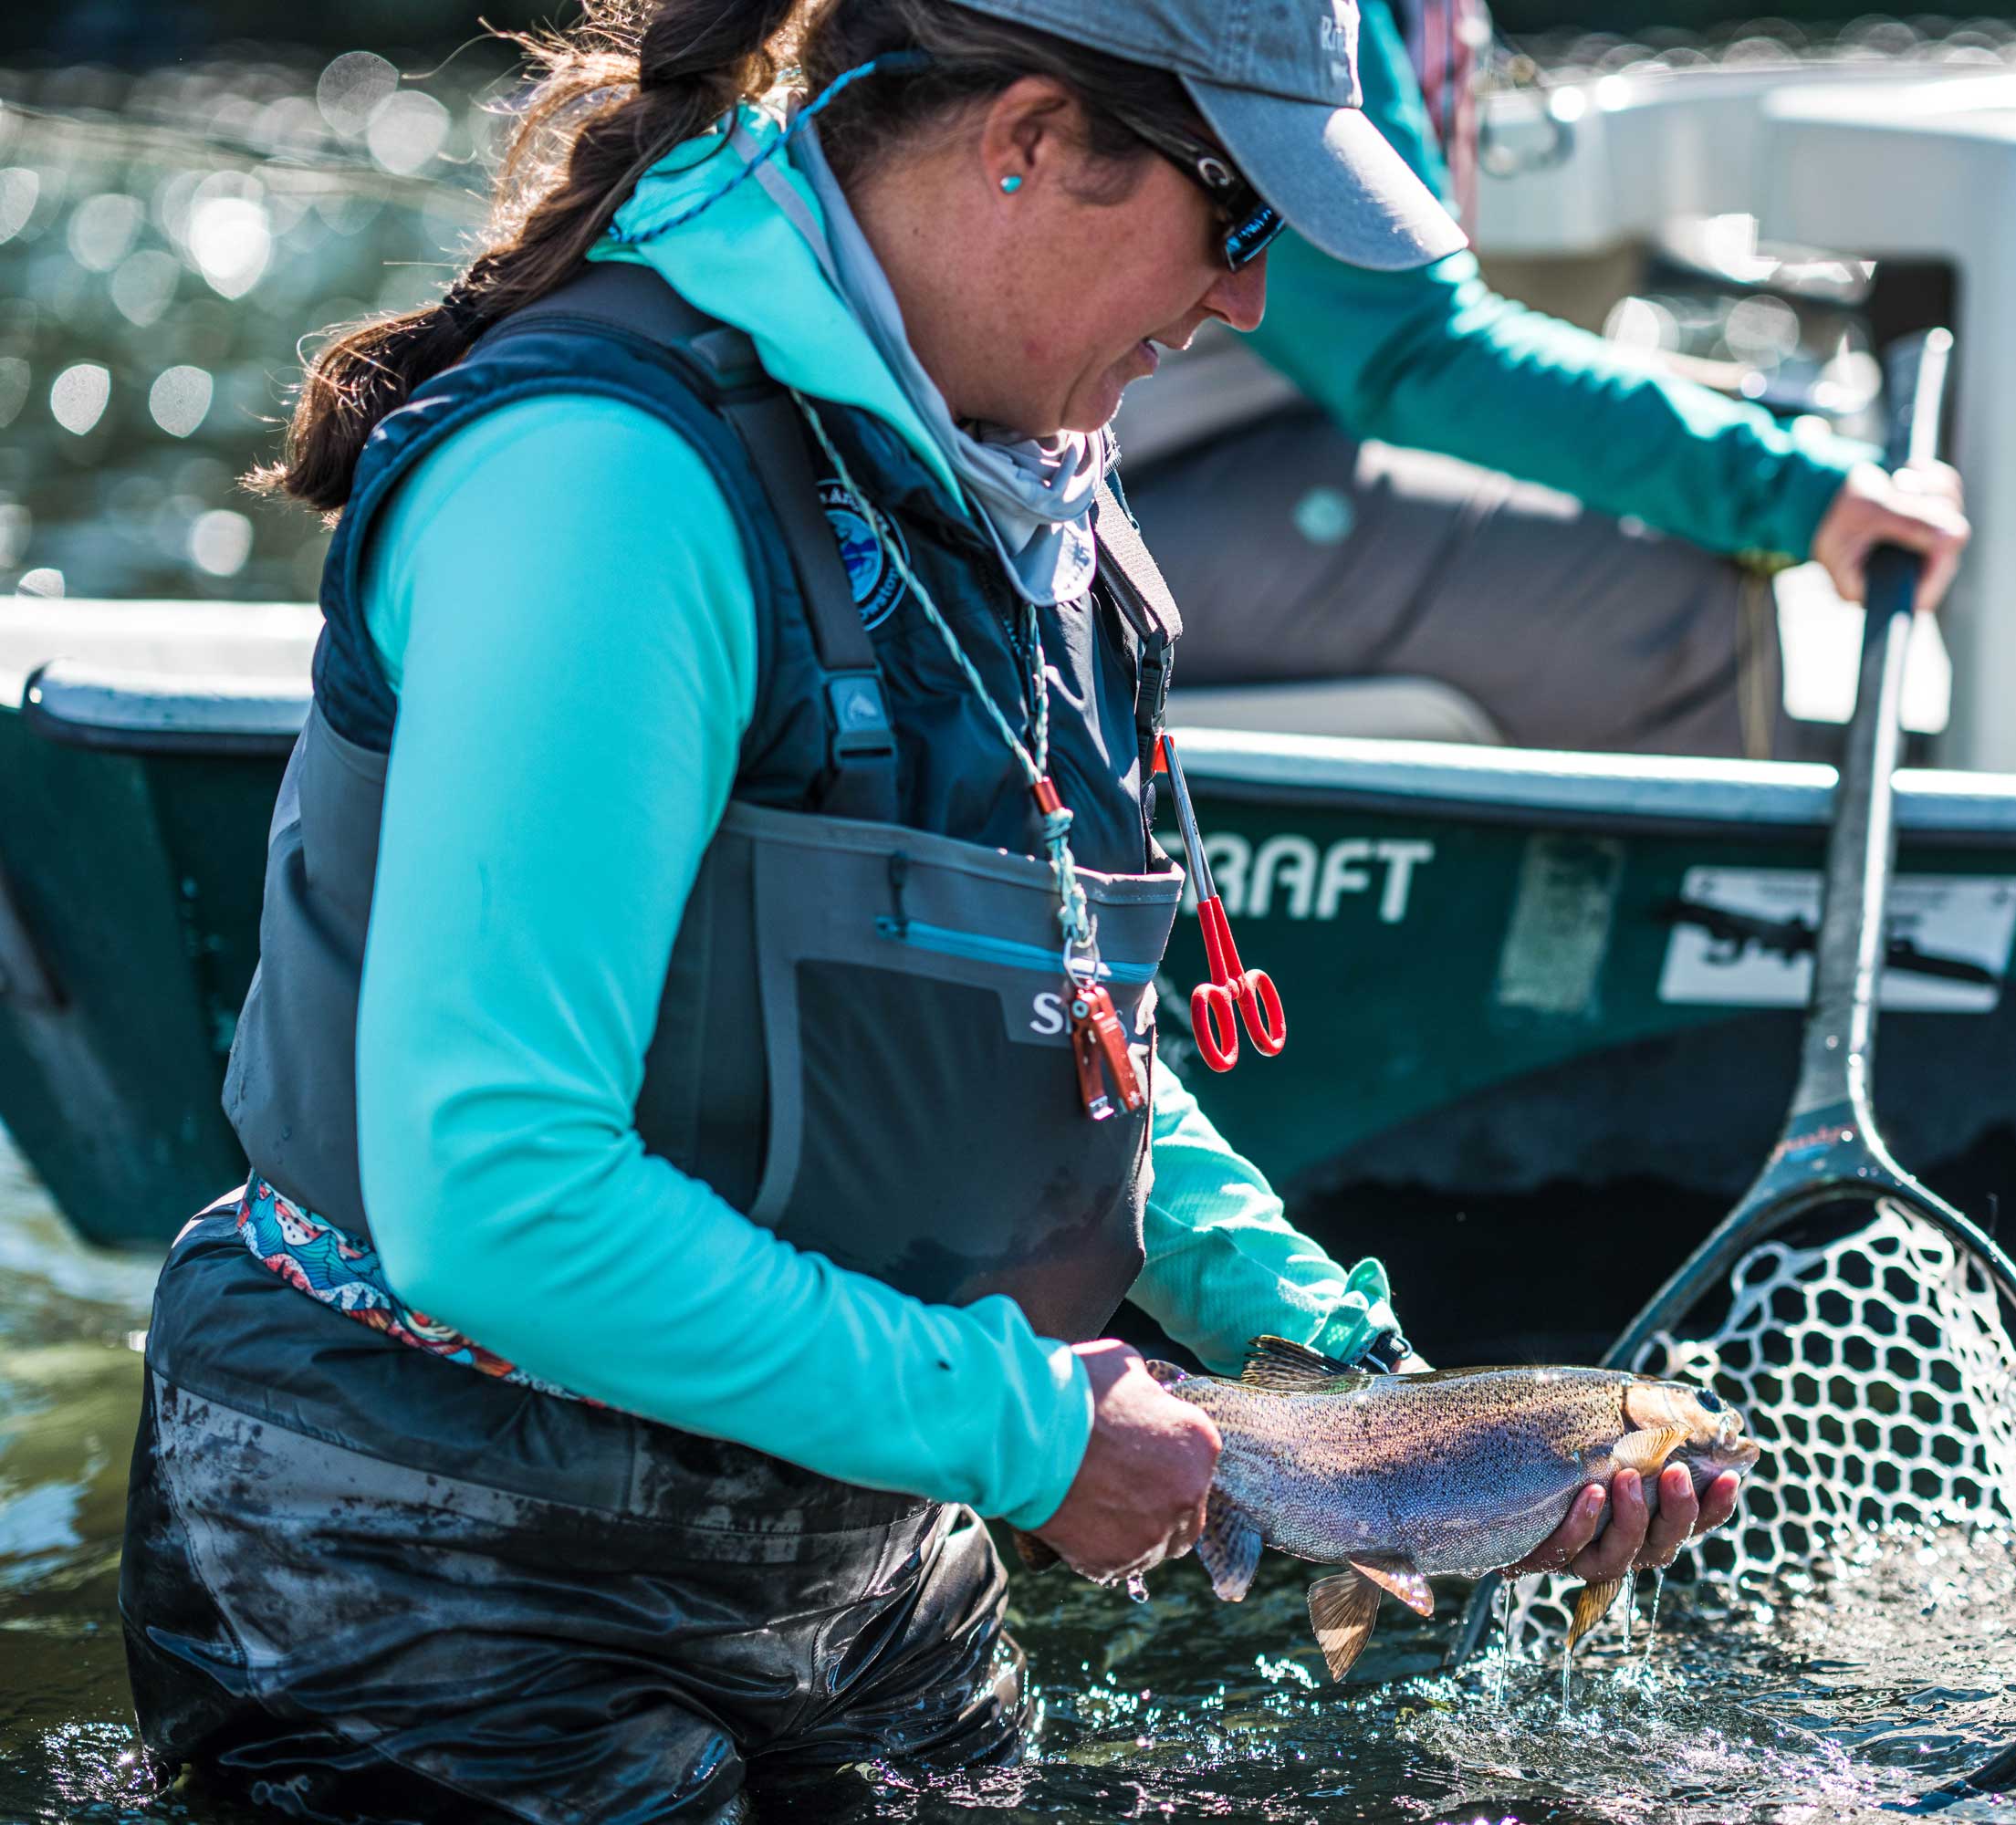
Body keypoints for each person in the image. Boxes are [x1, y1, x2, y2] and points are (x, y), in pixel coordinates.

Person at [116, 2, 1741, 1819]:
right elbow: (495, 1193)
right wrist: (1033, 1435)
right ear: (1032, 140)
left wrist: (1382, 1410)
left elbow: (1056, 1028)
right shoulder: (603, 485)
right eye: (1242, 218)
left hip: (854, 1528)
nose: (1249, 307)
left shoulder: (1014, 471)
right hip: (426, 1552)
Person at [1119, 0, 1971, 758]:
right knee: (1666, 605)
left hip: (1242, 441)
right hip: (1121, 499)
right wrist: (1797, 494)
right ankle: (1718, 925)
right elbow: (1414, 357)